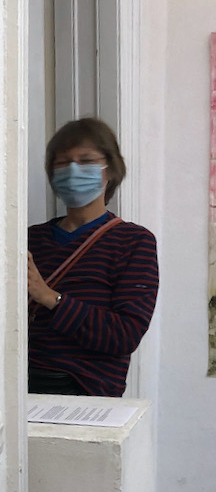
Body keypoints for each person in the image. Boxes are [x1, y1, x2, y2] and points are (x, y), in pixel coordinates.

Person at [28, 118, 158, 397]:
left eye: (86, 161)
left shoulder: (135, 242)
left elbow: (125, 335)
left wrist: (50, 298)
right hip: (19, 386)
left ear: (110, 170)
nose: (73, 170)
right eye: (63, 163)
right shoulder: (30, 239)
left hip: (86, 393)